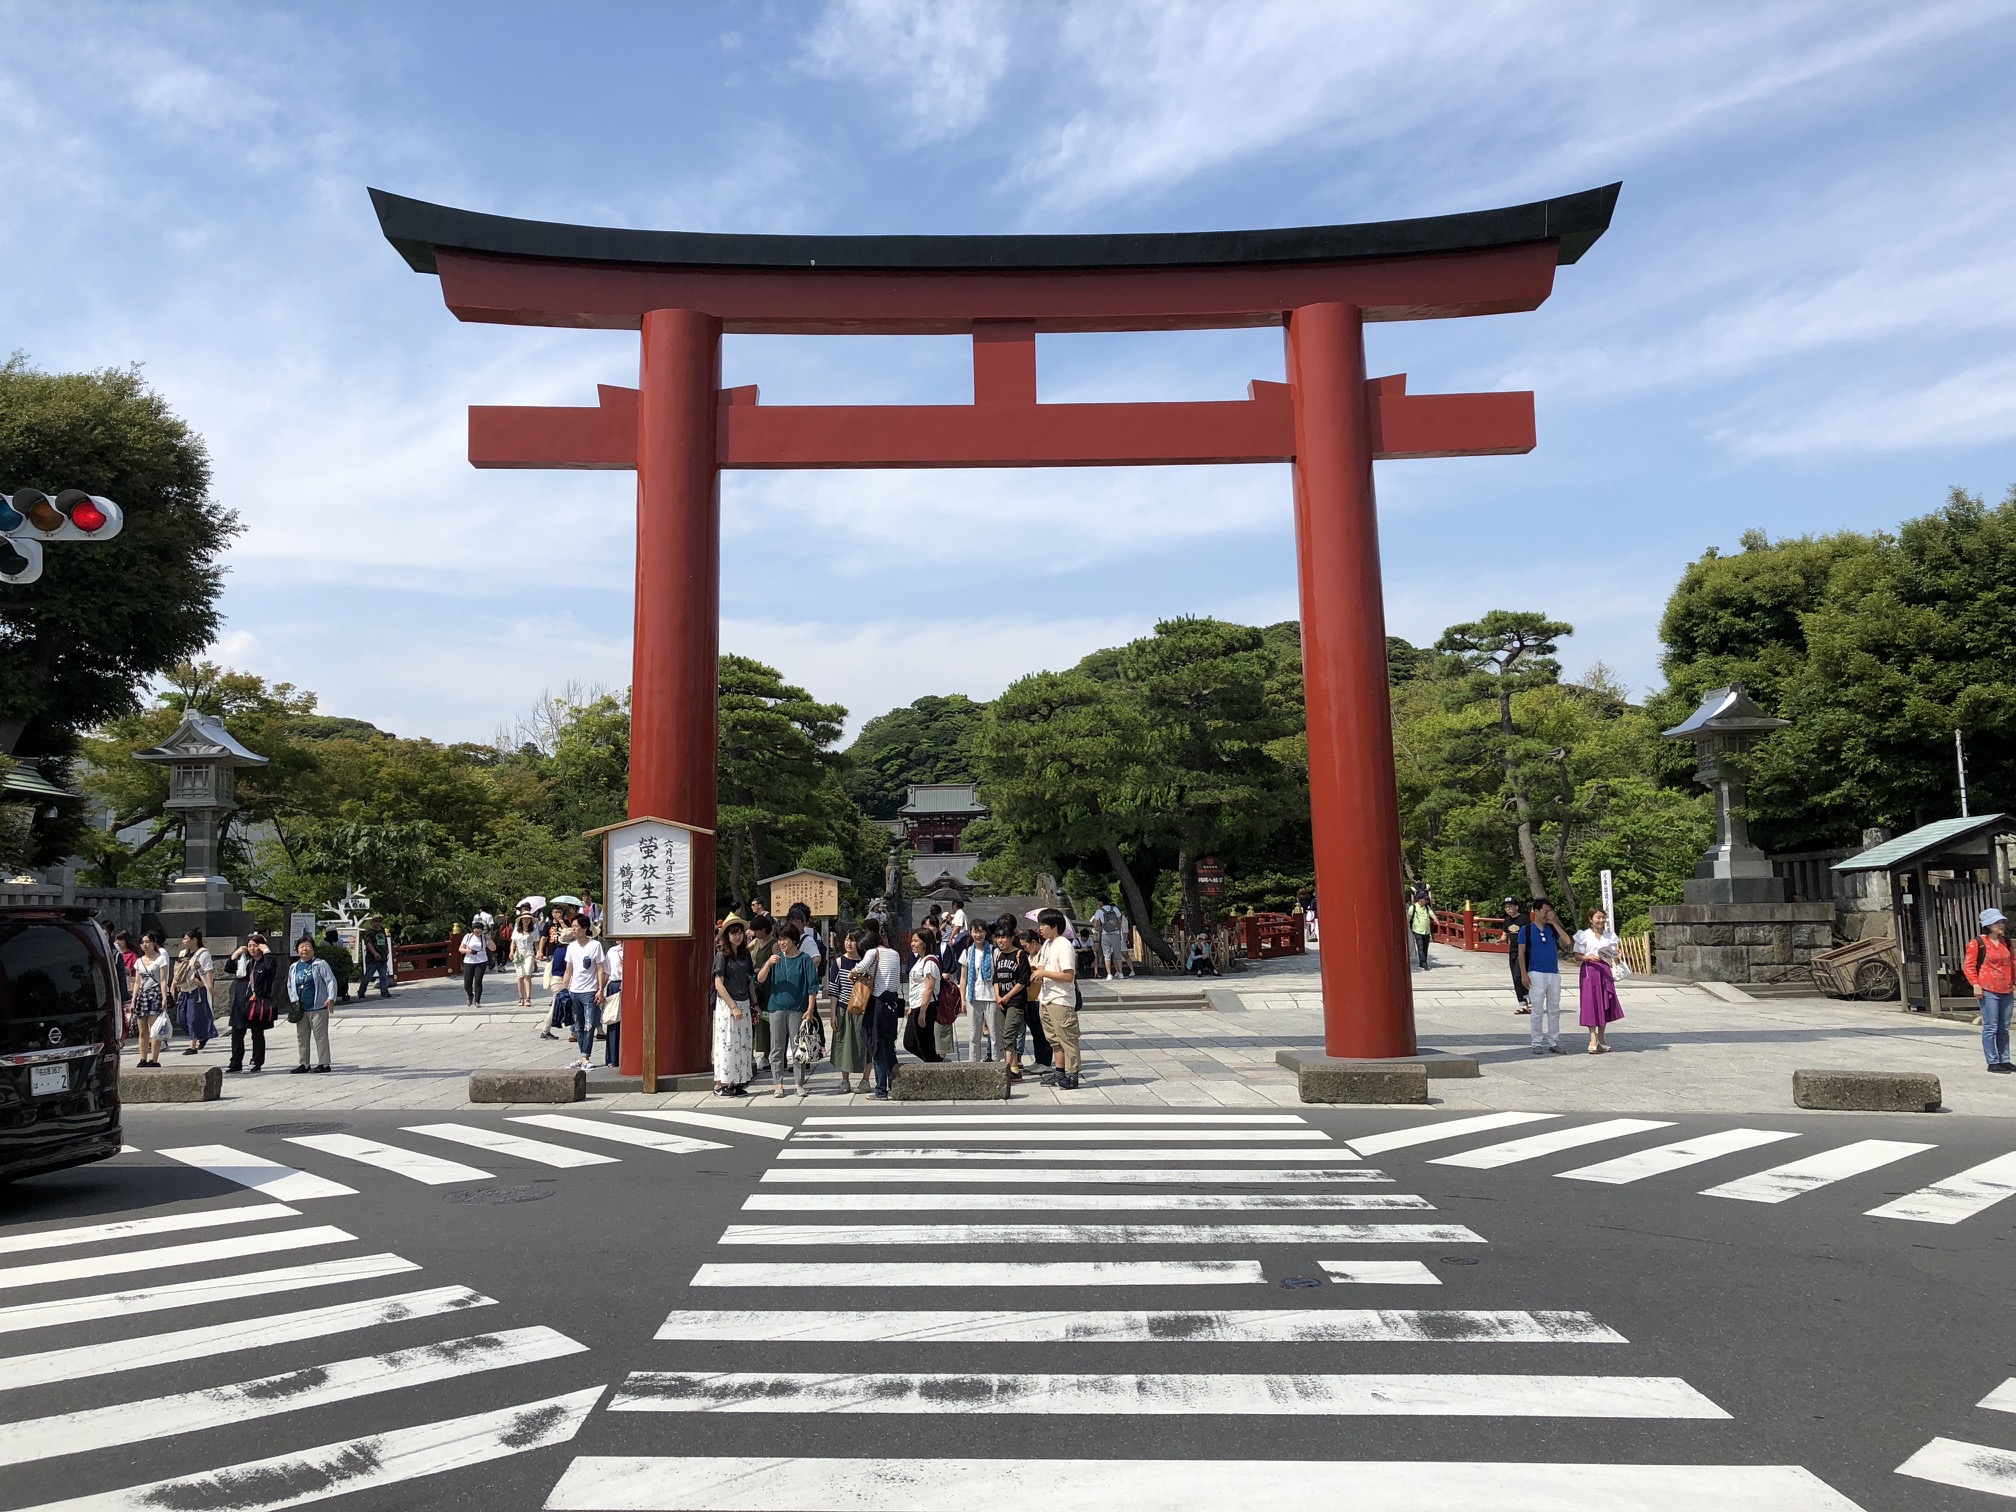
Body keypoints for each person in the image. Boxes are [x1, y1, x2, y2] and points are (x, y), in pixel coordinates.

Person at [758, 922, 821, 1097]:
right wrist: (768, 964)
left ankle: (798, 1083)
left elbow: (812, 986)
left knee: (797, 1047)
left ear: (793, 940)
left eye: (785, 939)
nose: (782, 942)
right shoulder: (776, 959)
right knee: (776, 1047)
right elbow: (760, 979)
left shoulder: (805, 959)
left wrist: (810, 1009)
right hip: (776, 1007)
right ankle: (778, 1084)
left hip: (798, 1008)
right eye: (779, 939)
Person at [1031, 907, 1081, 1089]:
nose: (1040, 928)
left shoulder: (1063, 945)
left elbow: (1068, 976)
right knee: (1054, 1039)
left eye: (1043, 925)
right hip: (1046, 998)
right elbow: (1043, 967)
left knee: (1067, 1038)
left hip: (1061, 999)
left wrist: (1045, 972)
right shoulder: (1047, 945)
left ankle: (1072, 1074)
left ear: (1054, 926)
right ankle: (1059, 1072)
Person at [854, 919, 904, 1100]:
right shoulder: (895, 954)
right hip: (892, 1003)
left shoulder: (872, 953)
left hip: (877, 1003)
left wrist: (854, 973)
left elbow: (858, 969)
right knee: (889, 1046)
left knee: (876, 1047)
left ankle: (881, 1089)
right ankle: (896, 1085)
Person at [711, 919, 757, 1097]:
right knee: (727, 1043)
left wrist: (755, 1003)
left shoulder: (745, 955)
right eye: (733, 933)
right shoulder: (722, 955)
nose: (737, 936)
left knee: (743, 1044)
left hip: (744, 1002)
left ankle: (738, 1081)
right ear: (727, 936)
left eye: (739, 933)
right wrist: (733, 1006)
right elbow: (718, 984)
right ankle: (721, 1083)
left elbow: (749, 980)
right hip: (728, 1004)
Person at [1965, 907, 2014, 1074]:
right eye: (1997, 922)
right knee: (1991, 1026)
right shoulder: (1977, 943)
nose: (2001, 925)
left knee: (2004, 1027)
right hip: (1988, 988)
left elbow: (2012, 964)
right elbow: (1969, 965)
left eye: (2002, 922)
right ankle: (1993, 1061)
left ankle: (2004, 1059)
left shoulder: (2006, 942)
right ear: (1988, 925)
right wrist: (1975, 984)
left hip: (2006, 988)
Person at [1517, 900, 1568, 1055]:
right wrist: (1524, 973)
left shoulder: (1552, 929)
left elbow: (1567, 942)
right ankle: (1536, 1042)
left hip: (1553, 972)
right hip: (1536, 972)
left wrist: (1555, 923)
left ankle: (1554, 1041)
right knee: (1537, 1010)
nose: (1547, 914)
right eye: (1545, 911)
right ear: (1536, 911)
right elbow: (1521, 953)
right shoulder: (1526, 930)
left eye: (1549, 911)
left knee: (1554, 1009)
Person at [557, 915, 607, 1071]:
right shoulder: (571, 947)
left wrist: (600, 989)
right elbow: (568, 970)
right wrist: (563, 990)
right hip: (574, 990)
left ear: (585, 928)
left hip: (590, 990)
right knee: (578, 1025)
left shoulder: (595, 945)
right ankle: (583, 1056)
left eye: (576, 926)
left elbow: (600, 968)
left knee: (589, 1024)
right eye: (572, 926)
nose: (574, 929)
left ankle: (586, 1056)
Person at [1573, 907, 1625, 1055]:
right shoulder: (1583, 935)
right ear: (1591, 919)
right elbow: (1577, 956)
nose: (1601, 920)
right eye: (1598, 917)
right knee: (1591, 1003)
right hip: (1590, 970)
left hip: (1605, 970)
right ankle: (1593, 1038)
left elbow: (1613, 955)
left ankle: (1602, 1038)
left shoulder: (1610, 936)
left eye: (1603, 917)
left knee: (1604, 1002)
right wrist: (1588, 957)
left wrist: (1617, 954)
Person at [225, 933, 279, 1074]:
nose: (252, 948)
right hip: (241, 1001)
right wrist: (236, 954)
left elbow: (271, 967)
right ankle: (235, 1062)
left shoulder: (265, 962)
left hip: (257, 1002)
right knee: (237, 1032)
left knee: (257, 1033)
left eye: (255, 945)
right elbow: (229, 968)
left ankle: (256, 1061)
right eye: (249, 945)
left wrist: (267, 951)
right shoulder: (245, 961)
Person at [286, 935, 338, 1074]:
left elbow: (330, 980)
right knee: (302, 1037)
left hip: (318, 1006)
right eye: (301, 946)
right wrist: (293, 1002)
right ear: (297, 950)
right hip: (301, 1008)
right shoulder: (294, 967)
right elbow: (290, 985)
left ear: (313, 949)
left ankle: (324, 1063)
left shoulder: (320, 964)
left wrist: (331, 998)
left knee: (320, 1036)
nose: (304, 949)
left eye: (308, 946)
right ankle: (304, 1063)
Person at [830, 929, 870, 1094]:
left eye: (853, 940)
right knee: (843, 1044)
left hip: (862, 1009)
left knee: (865, 1045)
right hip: (844, 1008)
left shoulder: (866, 962)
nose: (849, 943)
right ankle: (844, 1080)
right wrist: (833, 1013)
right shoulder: (839, 963)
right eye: (847, 939)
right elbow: (834, 990)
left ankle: (865, 1080)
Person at [991, 922, 1029, 1079]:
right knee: (1003, 1035)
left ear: (1012, 938)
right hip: (1001, 1002)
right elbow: (996, 979)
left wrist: (1007, 997)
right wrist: (998, 997)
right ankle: (1014, 1068)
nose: (1000, 941)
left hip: (1016, 1001)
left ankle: (1007, 1071)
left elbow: (1023, 980)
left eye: (1004, 937)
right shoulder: (999, 955)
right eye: (998, 937)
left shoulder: (1020, 955)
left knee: (1009, 1034)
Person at [129, 932, 171, 1067]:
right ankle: (142, 1058)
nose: (144, 945)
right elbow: (137, 981)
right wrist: (133, 999)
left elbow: (163, 980)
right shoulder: (138, 961)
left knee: (155, 1029)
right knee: (142, 1030)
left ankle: (154, 1059)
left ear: (153, 943)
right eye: (142, 943)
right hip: (143, 995)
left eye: (147, 942)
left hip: (155, 994)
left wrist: (164, 997)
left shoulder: (160, 959)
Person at [958, 921, 998, 1062]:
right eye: (975, 931)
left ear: (985, 933)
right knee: (974, 1033)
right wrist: (962, 998)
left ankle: (996, 1061)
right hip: (973, 996)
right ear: (970, 933)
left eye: (981, 931)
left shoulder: (994, 951)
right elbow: (963, 977)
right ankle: (974, 1062)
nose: (978, 935)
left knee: (994, 1032)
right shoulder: (967, 952)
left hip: (991, 996)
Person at [172, 930, 216, 1053]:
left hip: (196, 990)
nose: (183, 941)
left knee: (192, 1017)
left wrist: (210, 986)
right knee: (181, 1018)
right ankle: (202, 1035)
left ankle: (193, 1045)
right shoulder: (183, 953)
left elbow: (208, 971)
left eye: (186, 938)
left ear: (194, 940)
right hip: (184, 988)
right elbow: (178, 970)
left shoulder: (203, 953)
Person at [1018, 927, 1054, 1070]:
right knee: (1035, 1032)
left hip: (1040, 997)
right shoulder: (1030, 956)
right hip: (1029, 997)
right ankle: (1038, 1060)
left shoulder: (1043, 955)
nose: (1025, 949)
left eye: (1026, 946)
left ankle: (1046, 1062)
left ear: (1033, 942)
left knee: (1042, 1032)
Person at [908, 927, 945, 1063]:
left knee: (925, 1044)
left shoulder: (930, 961)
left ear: (924, 943)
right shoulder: (920, 960)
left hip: (926, 1006)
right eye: (912, 941)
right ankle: (935, 1062)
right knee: (909, 1043)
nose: (912, 944)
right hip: (916, 1005)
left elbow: (929, 988)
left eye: (916, 941)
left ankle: (934, 1065)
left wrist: (922, 1011)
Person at [1503, 898, 1531, 1015]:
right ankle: (1523, 1003)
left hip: (1524, 951)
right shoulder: (1507, 920)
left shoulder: (1524, 919)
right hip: (1513, 951)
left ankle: (1530, 1001)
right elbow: (1505, 934)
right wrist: (1501, 940)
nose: (1508, 909)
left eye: (1510, 906)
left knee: (1520, 975)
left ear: (1516, 907)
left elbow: (1530, 934)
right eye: (1506, 907)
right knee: (1515, 977)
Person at [1092, 900, 1130, 980]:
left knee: (1107, 955)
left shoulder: (1099, 911)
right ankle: (1120, 973)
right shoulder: (1115, 909)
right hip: (1115, 934)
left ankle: (1109, 974)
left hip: (1105, 935)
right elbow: (1119, 921)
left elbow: (1095, 925)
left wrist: (1101, 925)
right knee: (1118, 955)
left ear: (1101, 902)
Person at [600, 939, 624, 1067]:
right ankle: (612, 1058)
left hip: (630, 983)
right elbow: (607, 972)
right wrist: (600, 989)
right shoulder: (612, 951)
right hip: (614, 985)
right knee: (613, 1020)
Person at [458, 918, 490, 1007]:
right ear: (473, 931)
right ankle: (470, 995)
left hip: (481, 960)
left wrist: (489, 940)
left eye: (480, 932)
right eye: (476, 932)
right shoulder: (468, 936)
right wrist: (468, 951)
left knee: (478, 981)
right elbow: (460, 949)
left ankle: (477, 1001)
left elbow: (493, 948)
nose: (478, 934)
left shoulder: (484, 937)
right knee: (467, 983)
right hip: (469, 961)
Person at [512, 909, 540, 1008]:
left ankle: (528, 998)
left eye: (528, 919)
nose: (526, 920)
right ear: (521, 920)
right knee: (520, 976)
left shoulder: (533, 931)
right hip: (519, 953)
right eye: (524, 919)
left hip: (529, 952)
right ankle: (521, 998)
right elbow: (513, 942)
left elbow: (536, 942)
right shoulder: (516, 930)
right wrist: (511, 952)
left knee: (527, 974)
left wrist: (538, 952)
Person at [358, 921, 393, 1000]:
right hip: (372, 959)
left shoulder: (382, 930)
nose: (378, 923)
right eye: (376, 921)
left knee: (383, 976)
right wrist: (375, 953)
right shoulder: (369, 932)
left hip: (382, 958)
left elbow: (385, 941)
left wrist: (386, 949)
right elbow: (368, 943)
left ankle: (385, 993)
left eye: (379, 921)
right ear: (373, 922)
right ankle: (361, 992)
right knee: (368, 977)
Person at [1406, 889, 1434, 970]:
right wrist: (1406, 926)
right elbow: (1409, 917)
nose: (1427, 901)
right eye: (1425, 899)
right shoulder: (1413, 907)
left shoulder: (1427, 907)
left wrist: (1436, 920)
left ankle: (1423, 961)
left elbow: (1432, 914)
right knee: (1420, 947)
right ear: (1420, 900)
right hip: (1417, 930)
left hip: (1426, 930)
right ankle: (1423, 962)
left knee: (1425, 947)